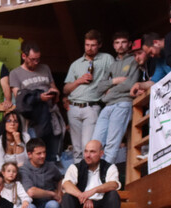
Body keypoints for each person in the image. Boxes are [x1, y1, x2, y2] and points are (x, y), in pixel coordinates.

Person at [59, 139, 123, 208]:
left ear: (101, 153)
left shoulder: (109, 167)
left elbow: (114, 184)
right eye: (86, 151)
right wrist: (83, 197)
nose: (88, 155)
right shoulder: (75, 167)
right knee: (67, 197)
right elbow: (66, 184)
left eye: (92, 152)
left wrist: (93, 190)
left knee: (113, 194)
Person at [63, 30, 115, 163]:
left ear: (99, 45)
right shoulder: (76, 64)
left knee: (88, 146)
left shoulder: (106, 58)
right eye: (87, 45)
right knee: (76, 148)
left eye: (93, 45)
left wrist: (109, 90)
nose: (89, 48)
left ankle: (90, 177)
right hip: (73, 107)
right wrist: (78, 81)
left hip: (91, 106)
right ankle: (79, 179)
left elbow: (114, 77)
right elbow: (65, 89)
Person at [10, 43, 63, 160]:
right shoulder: (15, 73)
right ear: (24, 56)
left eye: (38, 59)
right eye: (33, 59)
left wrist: (55, 92)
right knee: (36, 153)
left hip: (50, 115)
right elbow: (19, 99)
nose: (36, 62)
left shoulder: (45, 68)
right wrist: (39, 97)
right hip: (32, 120)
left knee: (52, 154)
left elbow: (53, 86)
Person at [93, 32, 140, 165]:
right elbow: (99, 87)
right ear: (113, 45)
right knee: (95, 142)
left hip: (123, 104)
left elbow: (130, 84)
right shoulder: (112, 65)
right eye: (117, 43)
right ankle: (94, 174)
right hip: (108, 106)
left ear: (129, 44)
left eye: (123, 42)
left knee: (112, 144)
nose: (120, 45)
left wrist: (110, 92)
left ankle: (105, 176)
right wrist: (114, 81)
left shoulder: (133, 60)